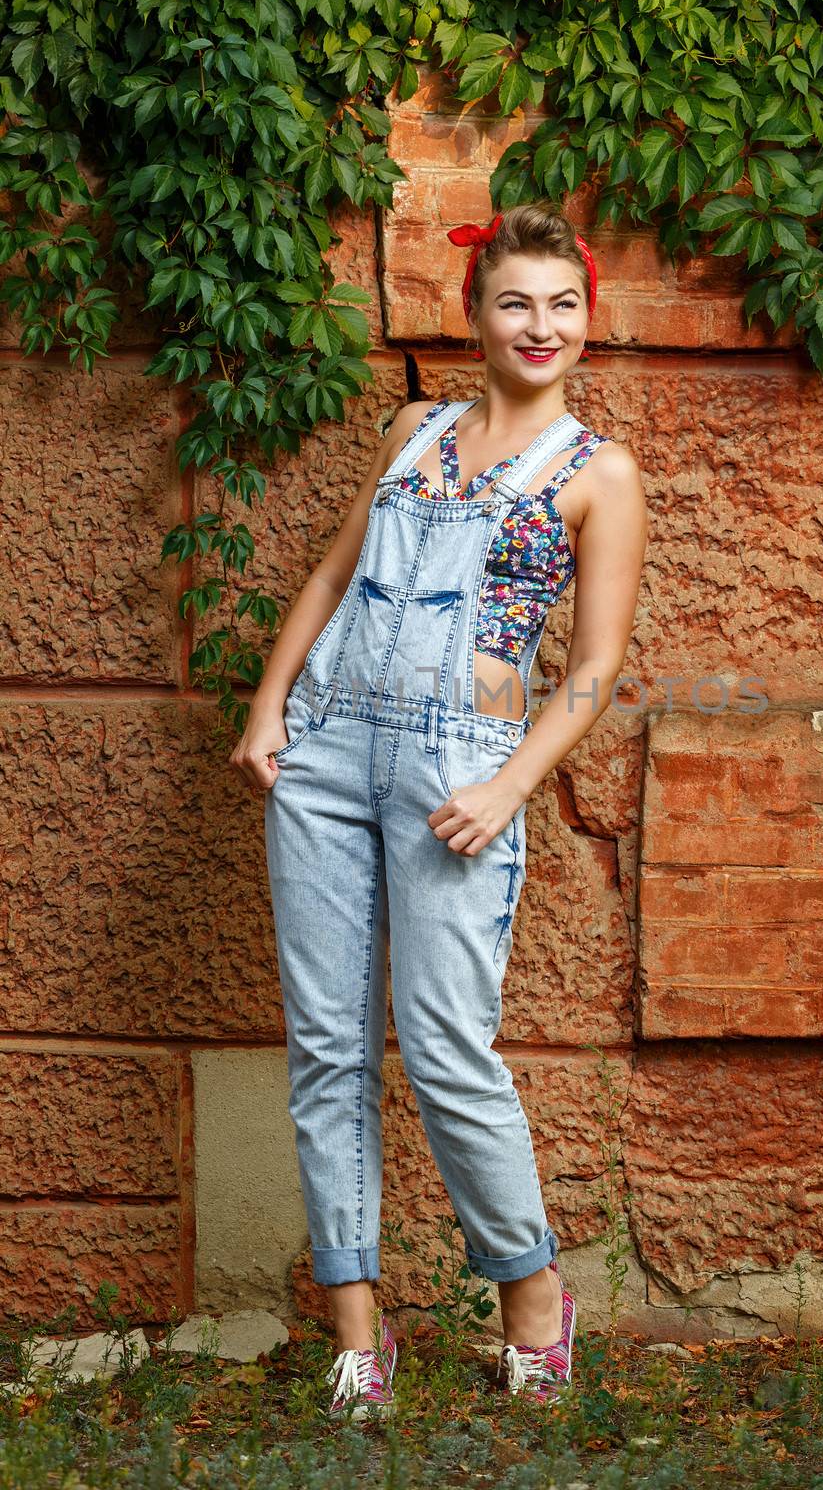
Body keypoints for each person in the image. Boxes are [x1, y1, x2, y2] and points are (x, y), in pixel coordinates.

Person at [230, 199, 647, 1417]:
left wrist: (508, 782)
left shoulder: (596, 472)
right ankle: (358, 1333)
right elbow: (330, 572)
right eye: (515, 300)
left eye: (562, 304)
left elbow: (593, 666)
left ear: (585, 323)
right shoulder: (413, 429)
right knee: (326, 1047)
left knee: (448, 1043)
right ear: (474, 314)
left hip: (456, 774)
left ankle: (529, 1295)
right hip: (327, 749)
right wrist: (270, 710)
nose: (540, 324)